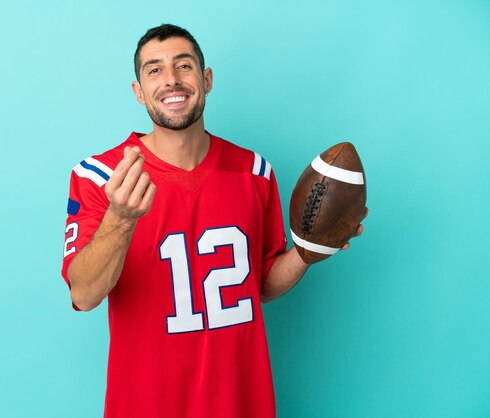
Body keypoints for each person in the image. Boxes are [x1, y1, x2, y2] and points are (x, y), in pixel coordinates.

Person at [61, 24, 364, 418]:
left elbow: (258, 285)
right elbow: (83, 295)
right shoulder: (101, 176)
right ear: (139, 91)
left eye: (183, 66)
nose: (171, 80)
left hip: (242, 404)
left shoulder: (254, 172)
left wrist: (309, 250)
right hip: (147, 406)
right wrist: (120, 218)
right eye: (154, 70)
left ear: (206, 79)